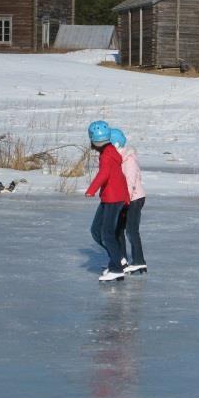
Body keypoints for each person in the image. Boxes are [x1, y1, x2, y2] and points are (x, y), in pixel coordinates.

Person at [85, 120, 130, 282]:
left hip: (113, 198)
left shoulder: (107, 155)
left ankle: (117, 267)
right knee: (96, 230)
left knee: (106, 233)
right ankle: (117, 259)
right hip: (111, 197)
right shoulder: (110, 151)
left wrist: (91, 190)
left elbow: (104, 175)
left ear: (93, 139)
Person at [111, 128, 148, 275]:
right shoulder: (117, 158)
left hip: (134, 198)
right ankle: (122, 259)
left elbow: (130, 180)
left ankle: (139, 261)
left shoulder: (129, 158)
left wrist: (125, 198)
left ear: (116, 144)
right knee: (118, 229)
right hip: (123, 198)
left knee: (131, 230)